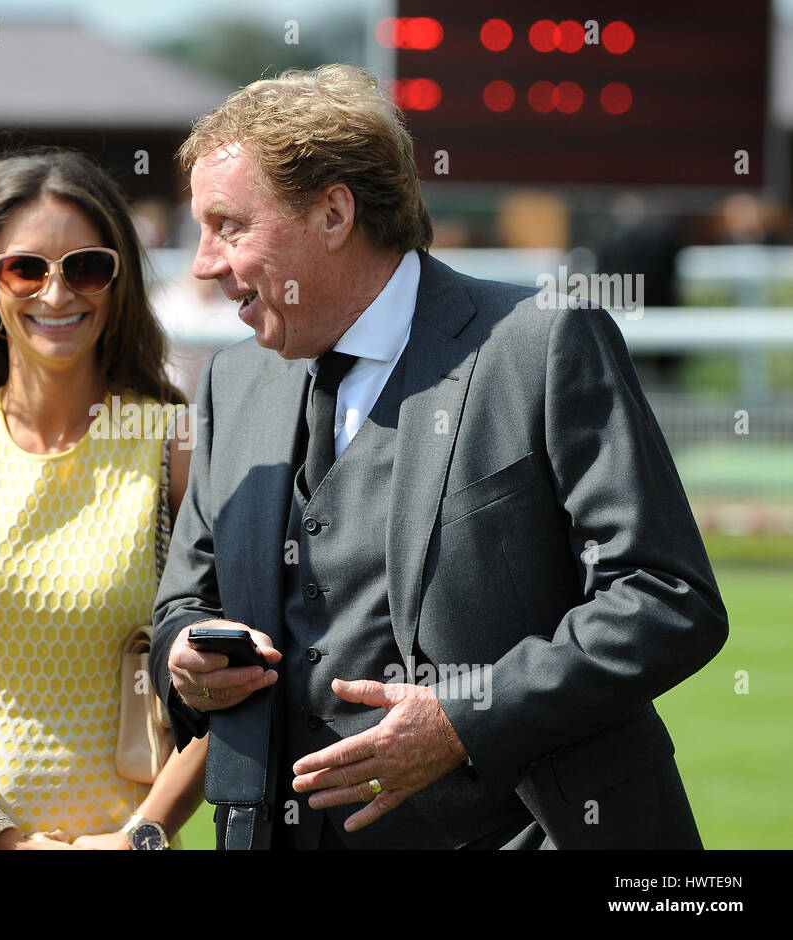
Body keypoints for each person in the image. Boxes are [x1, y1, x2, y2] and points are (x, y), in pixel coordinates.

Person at [150, 65, 728, 850]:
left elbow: (667, 598)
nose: (203, 263)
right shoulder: (233, 381)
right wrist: (185, 659)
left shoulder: (541, 344)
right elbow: (184, 606)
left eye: (229, 226)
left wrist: (466, 720)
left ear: (333, 213)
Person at [0, 149, 209, 850]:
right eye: (25, 269)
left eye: (86, 267)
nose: (57, 294)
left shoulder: (175, 446)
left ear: (118, 284)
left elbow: (233, 684)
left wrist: (141, 837)